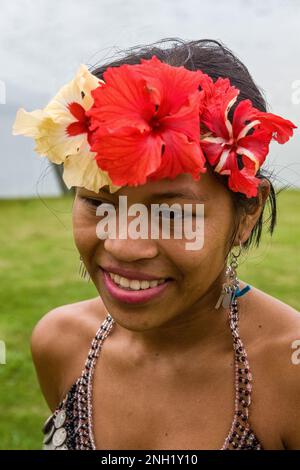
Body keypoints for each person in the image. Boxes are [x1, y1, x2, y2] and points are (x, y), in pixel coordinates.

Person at [13, 38, 300, 450]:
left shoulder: (290, 375)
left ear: (248, 213)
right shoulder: (59, 344)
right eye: (98, 201)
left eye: (171, 214)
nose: (125, 245)